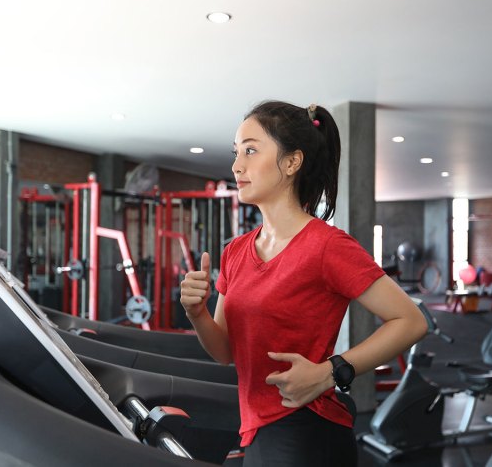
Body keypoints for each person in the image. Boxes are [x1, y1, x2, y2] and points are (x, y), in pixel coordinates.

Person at [180, 101, 428, 467]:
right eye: (237, 153)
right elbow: (225, 352)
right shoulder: (235, 251)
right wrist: (197, 313)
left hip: (306, 427)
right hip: (255, 422)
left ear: (292, 162)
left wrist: (332, 371)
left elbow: (411, 321)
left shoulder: (327, 246)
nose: (236, 165)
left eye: (251, 150)